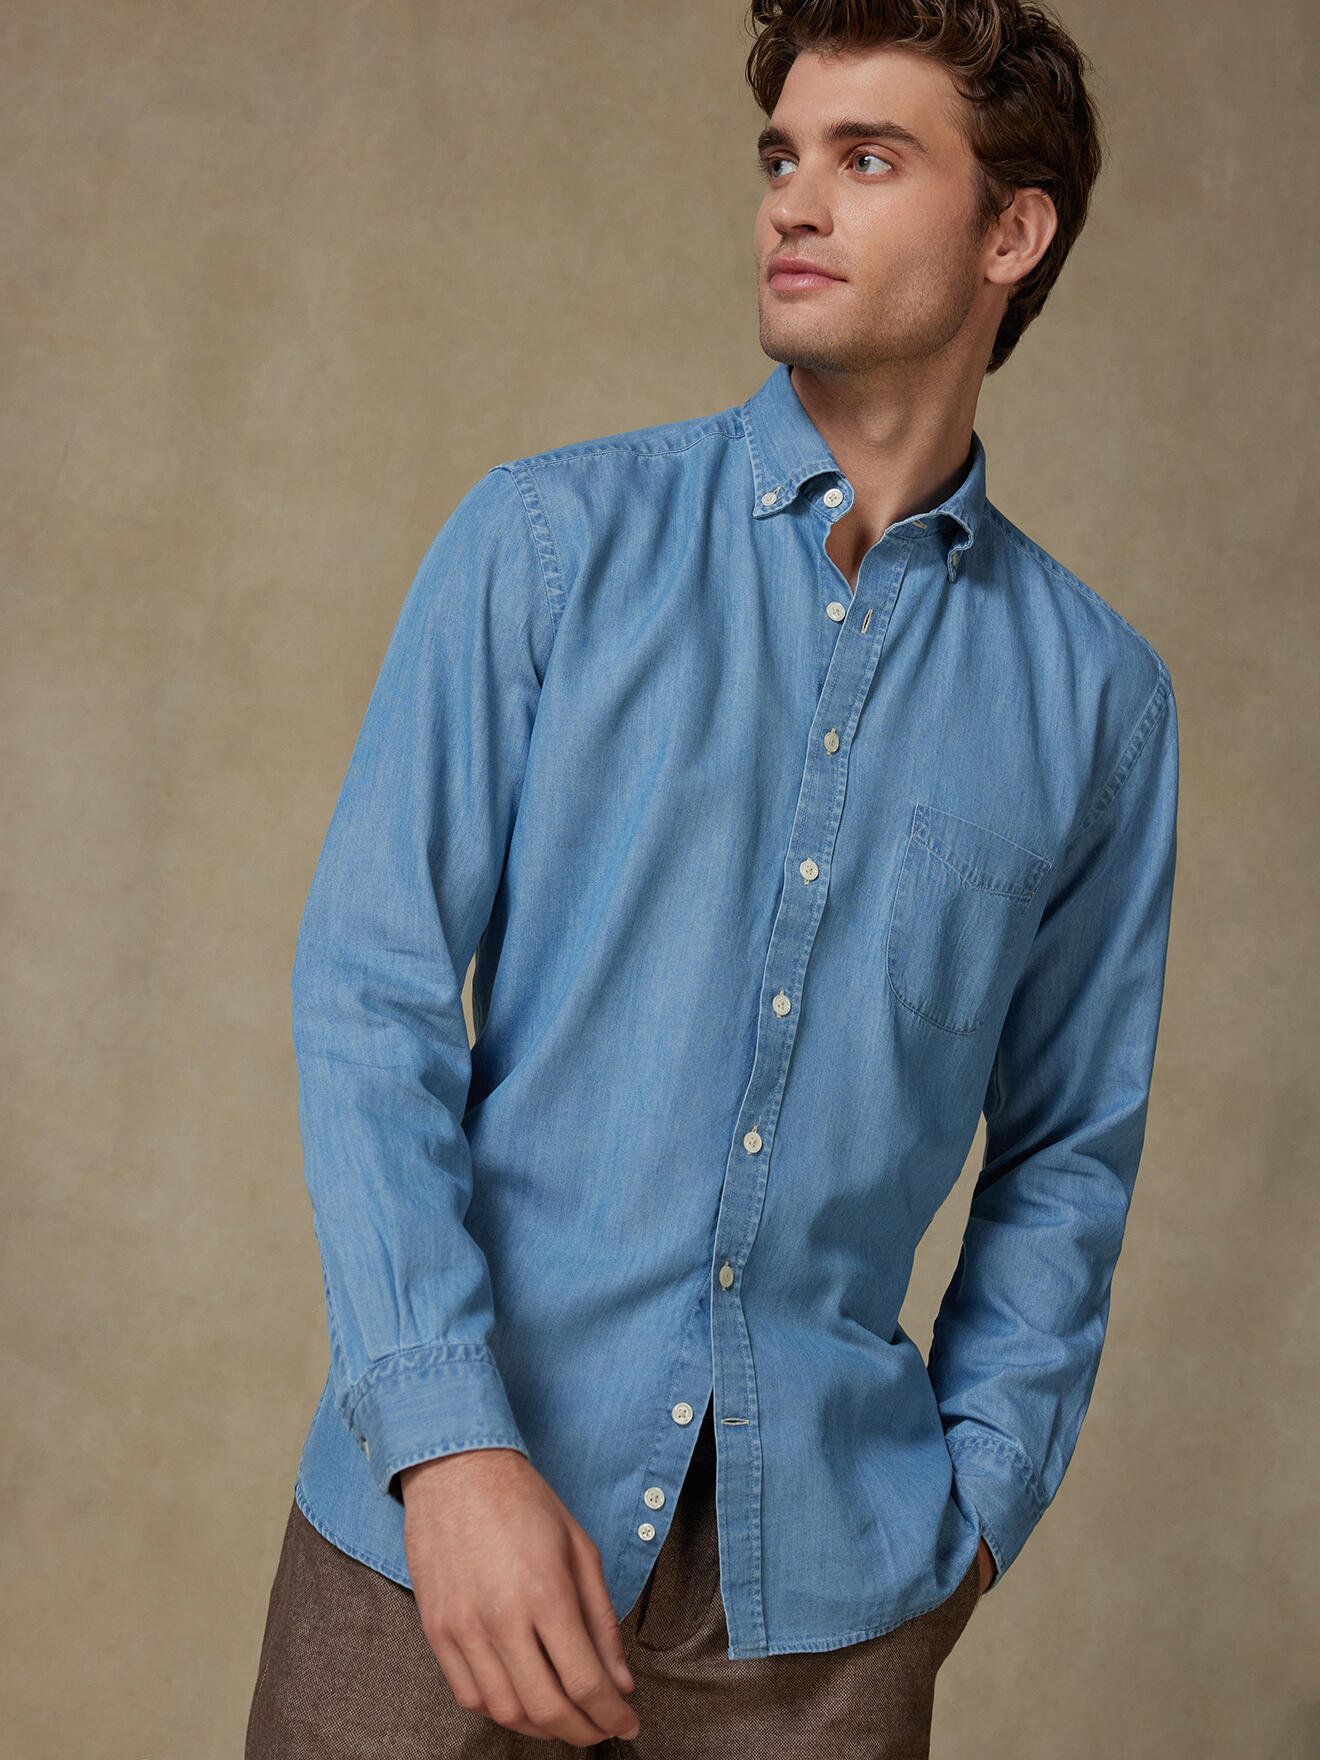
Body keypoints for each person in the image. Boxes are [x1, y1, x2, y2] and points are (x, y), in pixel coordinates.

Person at [246, 2, 1179, 1755]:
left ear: (1012, 231)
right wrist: (447, 1448)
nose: (792, 204)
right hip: (432, 1557)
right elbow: (371, 998)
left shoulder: (1097, 704)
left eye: (867, 158)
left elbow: (1068, 1149)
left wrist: (972, 1516)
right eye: (781, 157)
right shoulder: (545, 547)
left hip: (817, 1630)